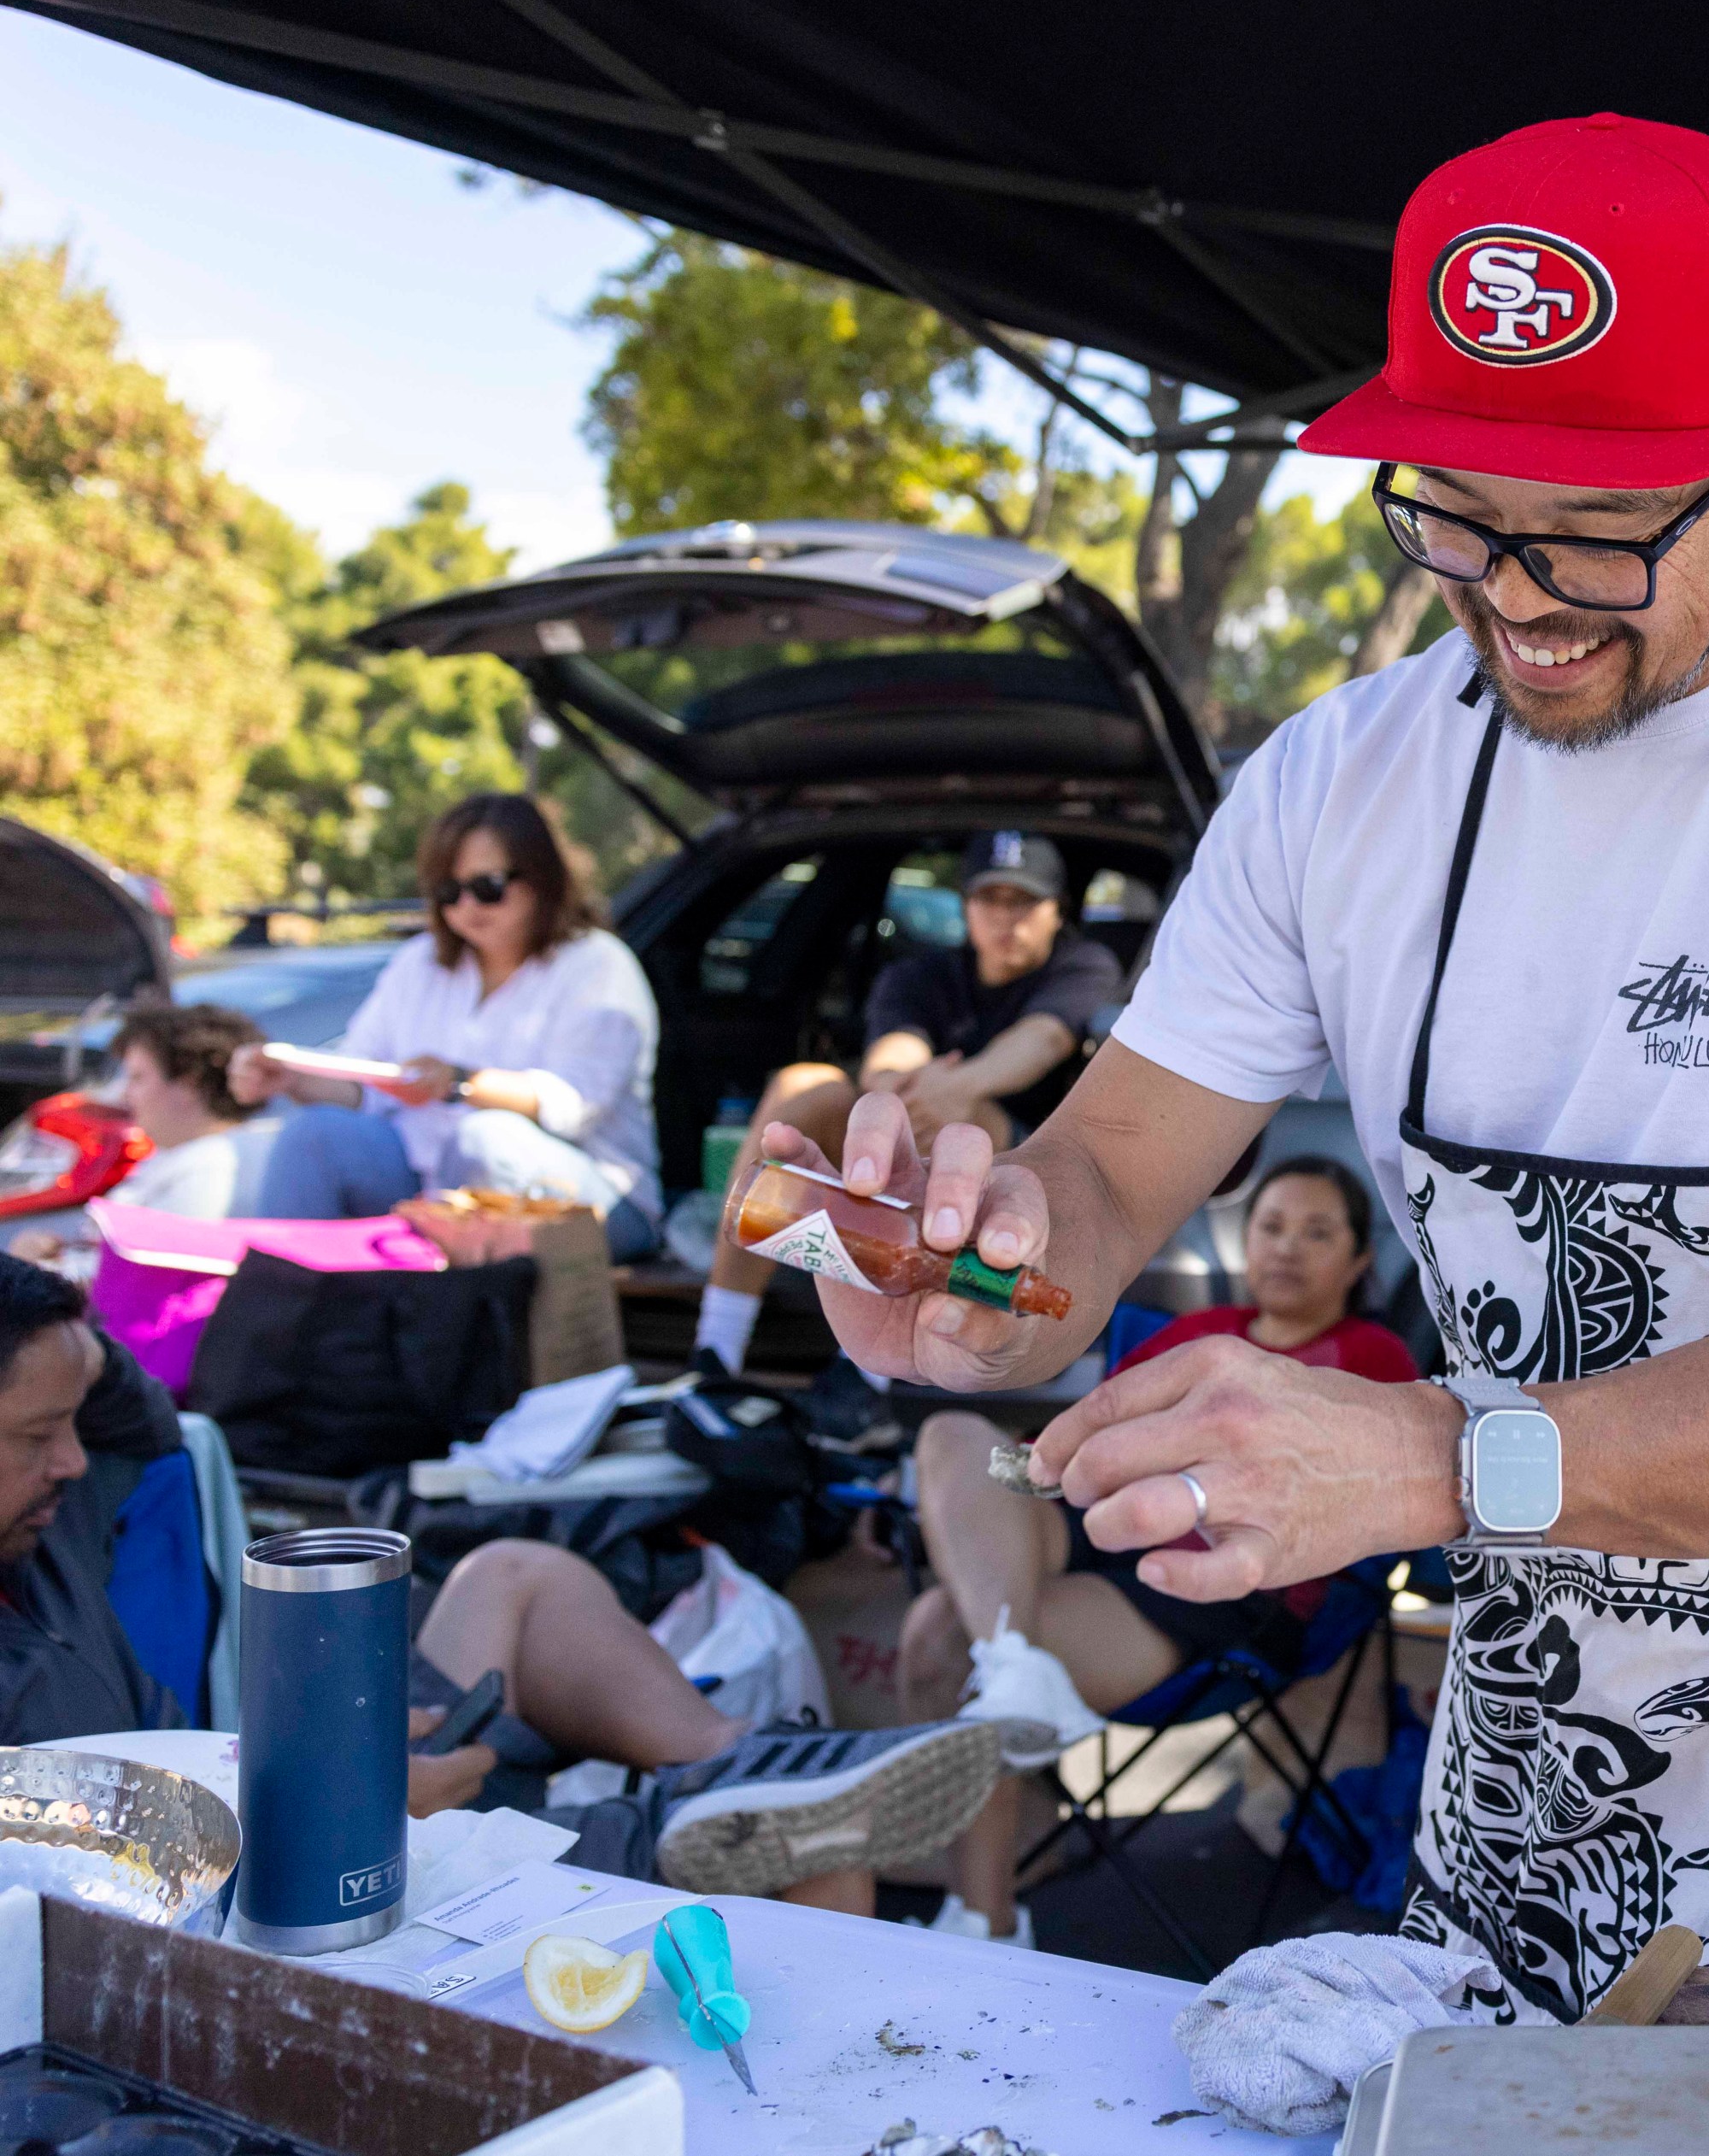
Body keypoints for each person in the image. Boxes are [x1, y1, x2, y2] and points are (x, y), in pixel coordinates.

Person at [777, 114, 1709, 2024]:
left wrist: (1425, 1454)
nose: (1520, 593)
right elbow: (1099, 1183)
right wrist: (959, 1267)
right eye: (1461, 513)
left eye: (1600, 527)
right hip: (1536, 1709)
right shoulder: (1338, 780)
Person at [0, 1255, 1000, 1906]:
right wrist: (338, 1798)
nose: (74, 1462)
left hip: (263, 1773)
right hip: (254, 1887)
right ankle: (709, 1809)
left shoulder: (44, 1526)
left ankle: (727, 1758)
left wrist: (58, 1327)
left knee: (513, 1576)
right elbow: (85, 1865)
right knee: (803, 1850)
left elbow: (141, 1423)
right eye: (39, 1436)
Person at [902, 1154, 1420, 1944]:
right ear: (1245, 1242)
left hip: (1223, 1584)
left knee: (943, 1634)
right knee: (951, 1433)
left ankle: (985, 1916)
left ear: (1356, 1260)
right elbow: (1076, 1444)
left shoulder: (1373, 1357)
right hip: (1093, 1522)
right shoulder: (1198, 1335)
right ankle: (1013, 1683)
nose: (1287, 1247)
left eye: (1318, 1233)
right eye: (1272, 1226)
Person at [690, 831, 1125, 1375]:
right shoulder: (922, 974)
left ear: (1057, 912)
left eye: (1024, 902)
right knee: (802, 1086)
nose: (1005, 918)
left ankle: (865, 1374)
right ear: (966, 906)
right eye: (990, 899)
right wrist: (909, 1092)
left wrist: (956, 1088)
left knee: (959, 1125)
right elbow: (887, 1061)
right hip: (915, 1129)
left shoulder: (1083, 966)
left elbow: (1043, 1040)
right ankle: (715, 1348)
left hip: (1023, 1161)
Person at [232, 794, 663, 1260]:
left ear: (542, 877)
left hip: (592, 1197)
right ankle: (280, 1310)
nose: (466, 907)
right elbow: (367, 1084)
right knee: (314, 1135)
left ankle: (453, 1319)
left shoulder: (597, 964)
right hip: (427, 1183)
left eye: (487, 887)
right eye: (448, 892)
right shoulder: (420, 964)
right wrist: (293, 1079)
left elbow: (576, 1105)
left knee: (484, 1142)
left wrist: (459, 1084)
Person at [4, 1005, 278, 1267]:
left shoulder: (211, 1165)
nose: (125, 1093)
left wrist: (39, 1270)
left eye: (137, 1078)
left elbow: (161, 1274)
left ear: (188, 1081)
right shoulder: (186, 1155)